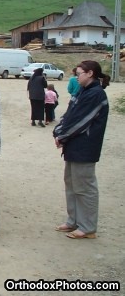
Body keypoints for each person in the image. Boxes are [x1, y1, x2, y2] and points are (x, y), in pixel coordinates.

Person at [53, 61, 110, 240]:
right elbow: (69, 114)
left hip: (85, 147)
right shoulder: (83, 91)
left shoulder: (96, 94)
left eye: (79, 73)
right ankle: (74, 220)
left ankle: (87, 227)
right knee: (71, 184)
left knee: (85, 187)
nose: (77, 77)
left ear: (90, 73)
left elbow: (81, 120)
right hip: (74, 146)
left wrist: (62, 135)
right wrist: (58, 131)